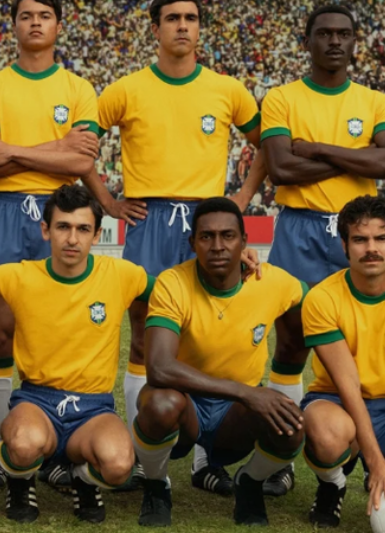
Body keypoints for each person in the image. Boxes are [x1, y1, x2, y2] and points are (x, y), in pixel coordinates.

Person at [86, 0, 268, 495]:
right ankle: (144, 457)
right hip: (148, 219)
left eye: (190, 18)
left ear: (200, 28)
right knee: (144, 335)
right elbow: (82, 145)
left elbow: (267, 144)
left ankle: (207, 458)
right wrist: (107, 200)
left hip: (205, 223)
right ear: (156, 28)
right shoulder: (126, 89)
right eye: (172, 18)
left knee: (210, 334)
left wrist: (242, 200)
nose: (182, 26)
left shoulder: (227, 89)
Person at [0, 0, 100, 491]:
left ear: (58, 25)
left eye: (44, 15)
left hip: (58, 212)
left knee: (55, 333)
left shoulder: (78, 88)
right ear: (14, 25)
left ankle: (54, 442)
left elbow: (81, 161)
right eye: (26, 15)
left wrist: (14, 150)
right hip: (5, 211)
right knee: (1, 332)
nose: (35, 23)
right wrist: (56, 148)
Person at [261, 3, 385, 493]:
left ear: (355, 42)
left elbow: (384, 164)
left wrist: (314, 148)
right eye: (325, 33)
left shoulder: (374, 100)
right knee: (292, 342)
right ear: (307, 41)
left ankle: (353, 435)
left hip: (356, 229)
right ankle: (284, 454)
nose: (335, 41)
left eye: (344, 34)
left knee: (360, 338)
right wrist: (356, 158)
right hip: (300, 227)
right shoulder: (281, 98)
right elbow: (281, 170)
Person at [0, 184, 152, 523]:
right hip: (37, 402)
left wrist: (237, 268)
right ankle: (19, 478)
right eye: (63, 227)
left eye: (83, 229)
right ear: (46, 230)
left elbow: (179, 290)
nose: (72, 239)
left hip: (93, 408)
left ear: (97, 235)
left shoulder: (121, 275)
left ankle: (83, 479)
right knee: (23, 446)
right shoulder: (19, 275)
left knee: (119, 466)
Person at [134, 197, 306, 527]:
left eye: (228, 236)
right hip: (186, 404)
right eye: (206, 236)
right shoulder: (173, 282)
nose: (217, 246)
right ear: (192, 243)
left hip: (235, 417)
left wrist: (291, 356)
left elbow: (317, 302)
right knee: (159, 404)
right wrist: (246, 392)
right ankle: (156, 486)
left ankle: (249, 482)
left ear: (244, 242)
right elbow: (159, 368)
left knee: (291, 425)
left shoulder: (271, 281)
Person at [300, 195, 385, 529]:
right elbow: (349, 384)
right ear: (345, 245)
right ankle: (332, 484)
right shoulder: (322, 298)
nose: (372, 248)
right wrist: (375, 458)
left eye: (381, 238)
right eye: (360, 239)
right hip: (338, 399)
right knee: (327, 433)